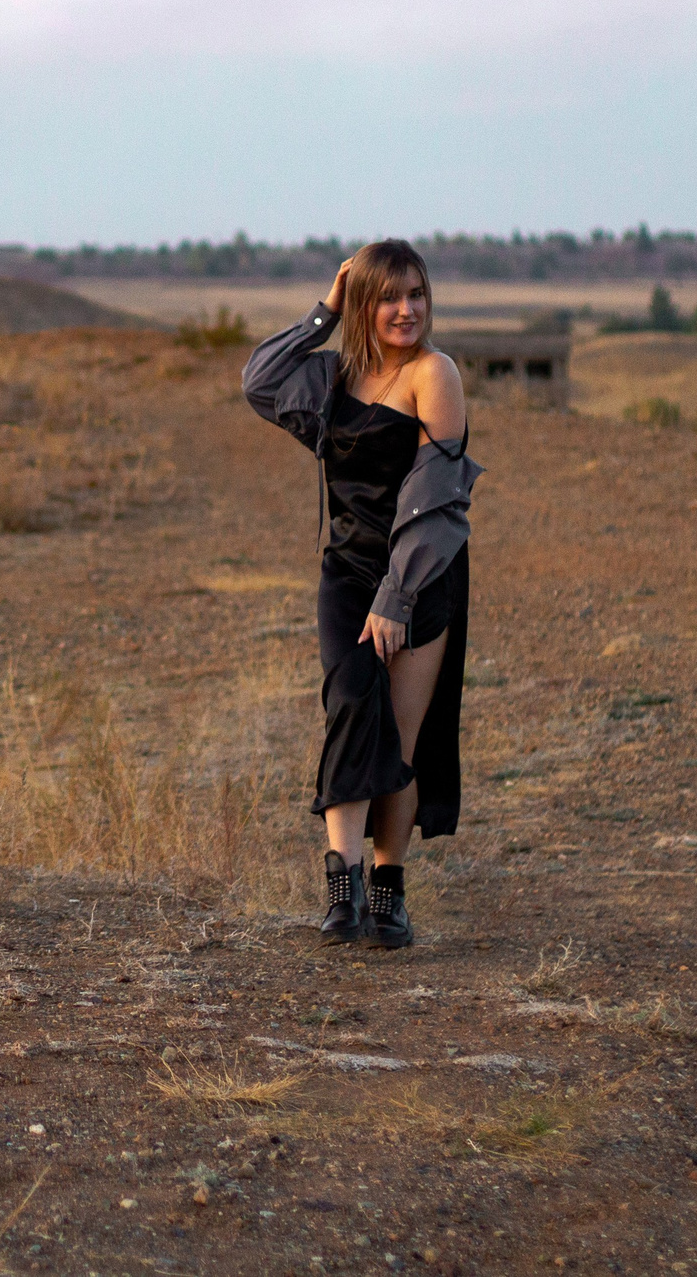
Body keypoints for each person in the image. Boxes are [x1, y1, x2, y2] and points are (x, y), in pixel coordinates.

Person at [241, 240, 480, 948]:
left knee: (399, 742)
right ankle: (339, 892)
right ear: (364, 303)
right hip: (347, 573)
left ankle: (388, 895)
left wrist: (398, 597)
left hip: (420, 575)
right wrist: (326, 310)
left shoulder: (434, 373)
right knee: (350, 705)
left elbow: (436, 500)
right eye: (387, 296)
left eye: (416, 295)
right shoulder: (333, 375)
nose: (405, 310)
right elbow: (259, 381)